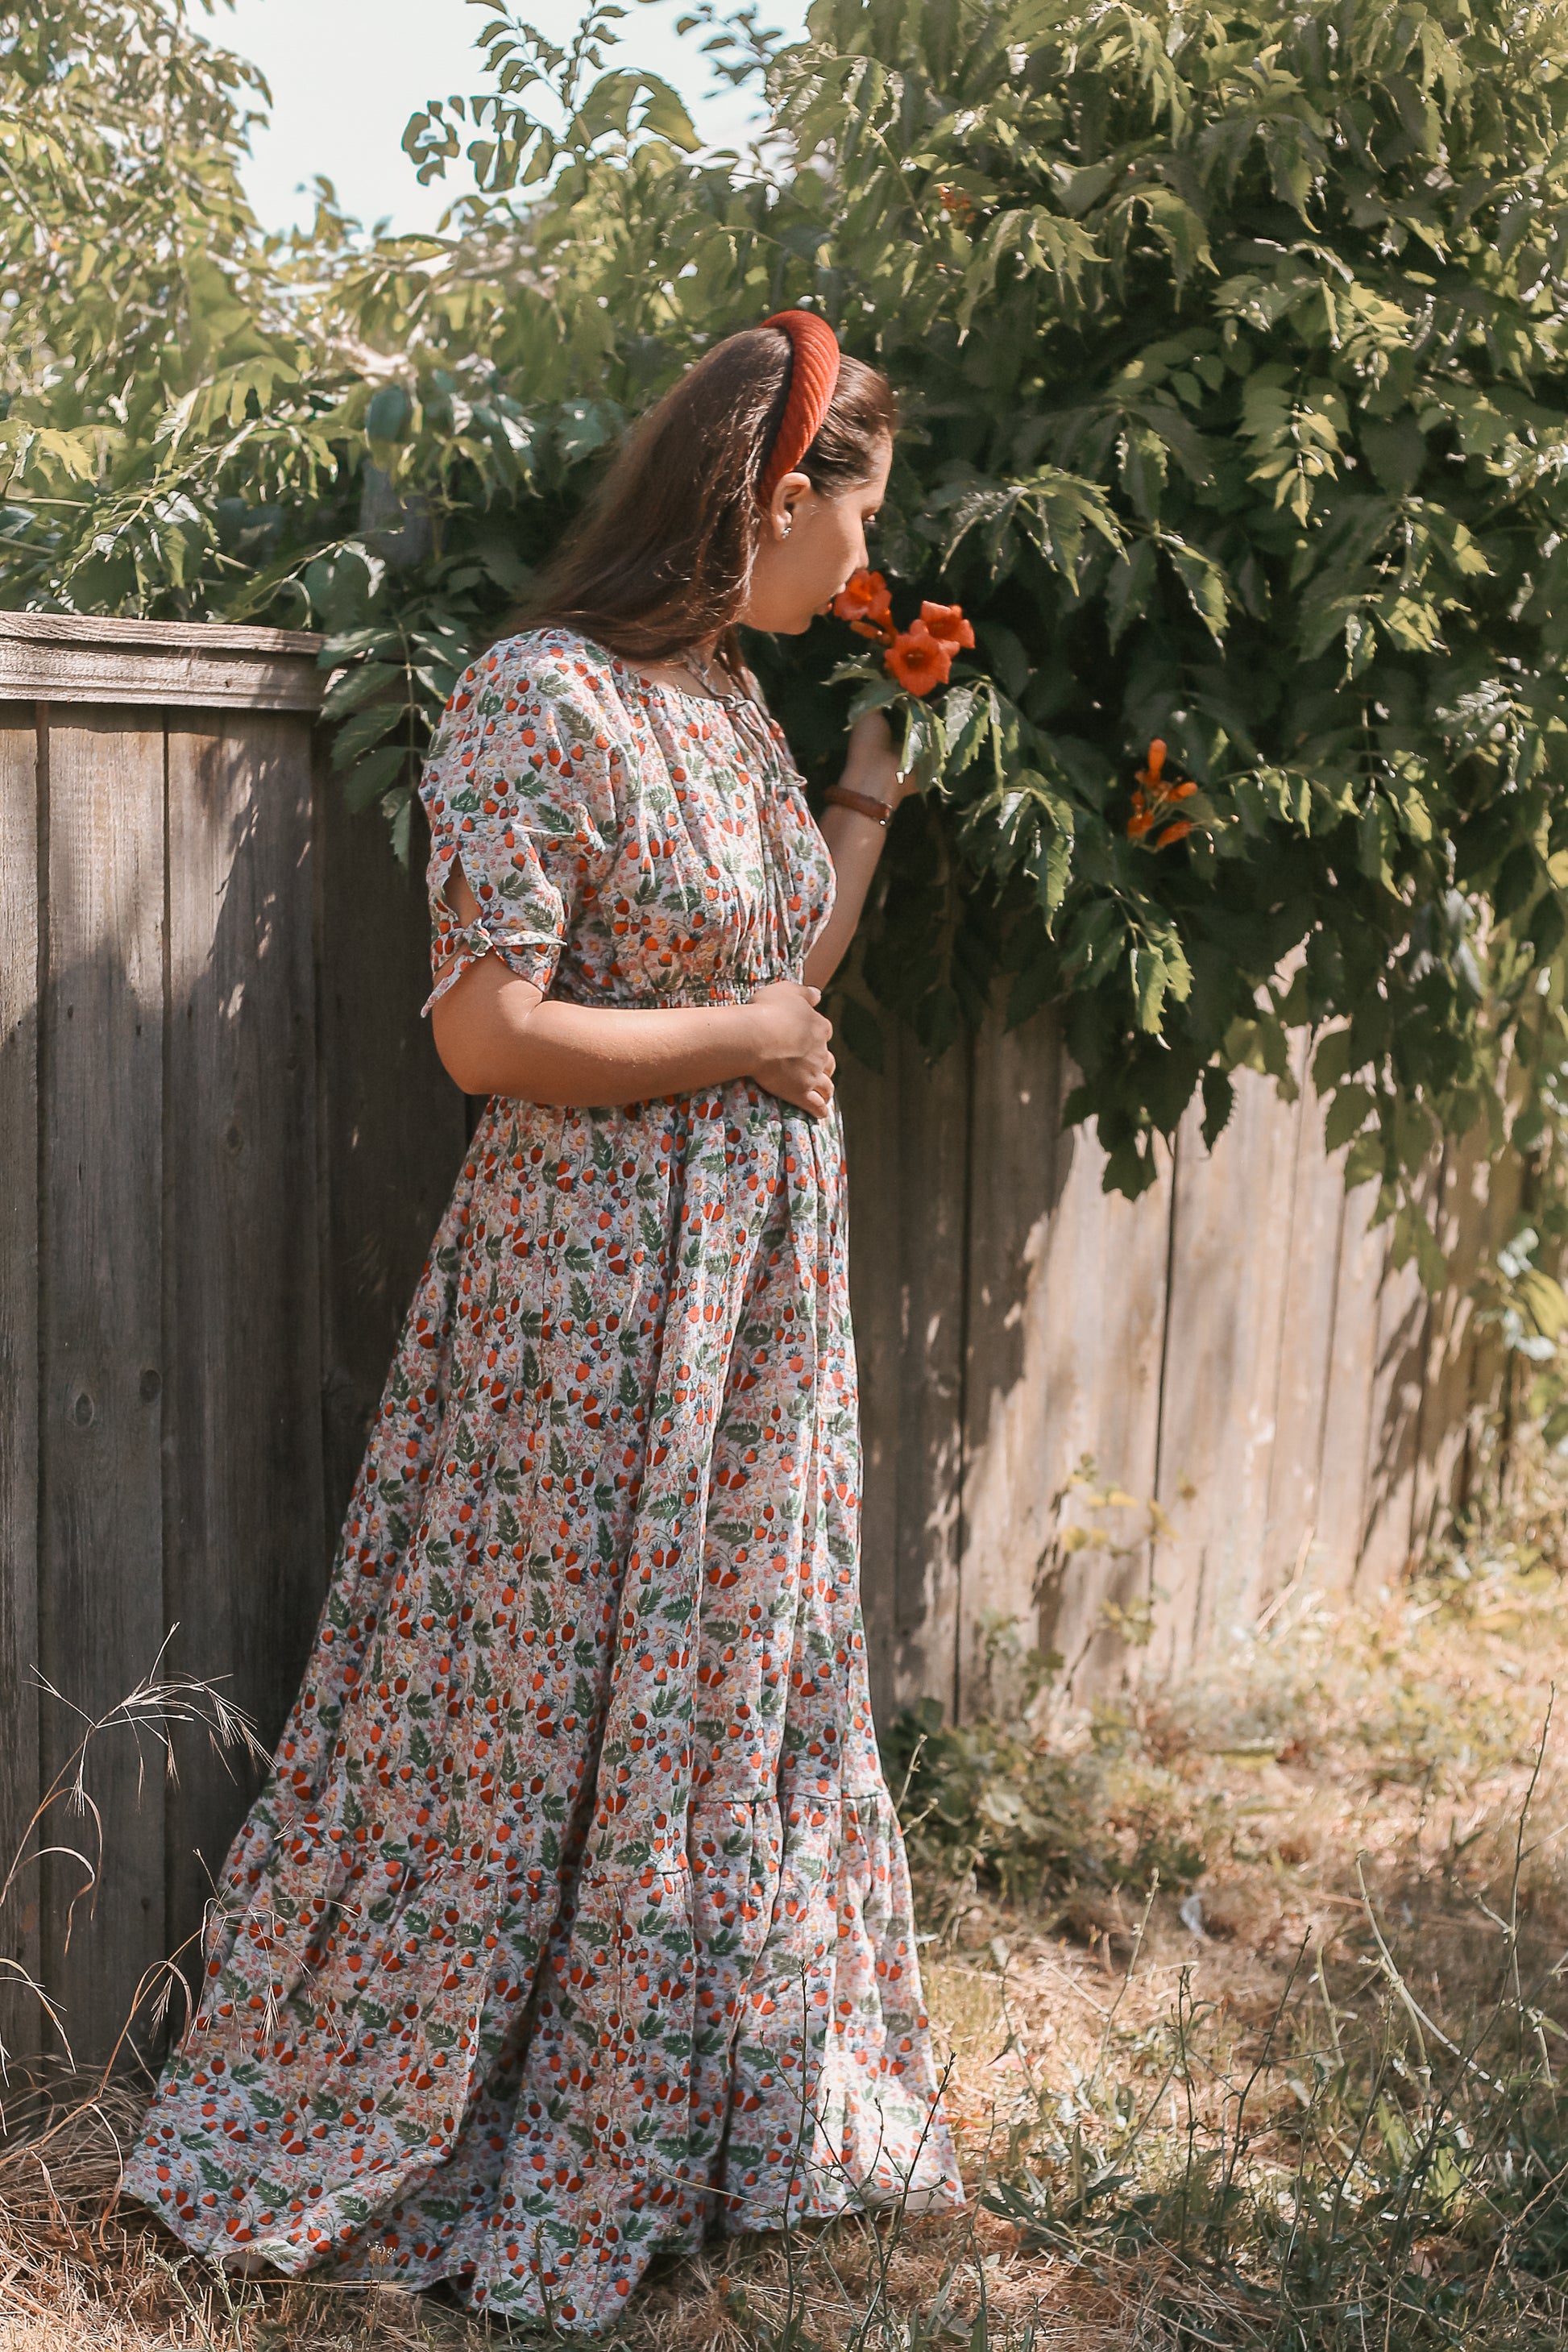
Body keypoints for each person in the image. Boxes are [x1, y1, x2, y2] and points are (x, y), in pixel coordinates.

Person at [122, 311, 962, 2330]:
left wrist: (858, 800)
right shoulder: (539, 698)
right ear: (765, 497)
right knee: (527, 1684)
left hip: (748, 1293)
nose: (860, 574)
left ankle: (695, 2094)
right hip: (584, 1289)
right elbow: (491, 1033)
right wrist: (753, 1037)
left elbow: (781, 980)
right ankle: (453, 2095)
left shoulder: (742, 709)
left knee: (719, 1680)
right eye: (846, 528)